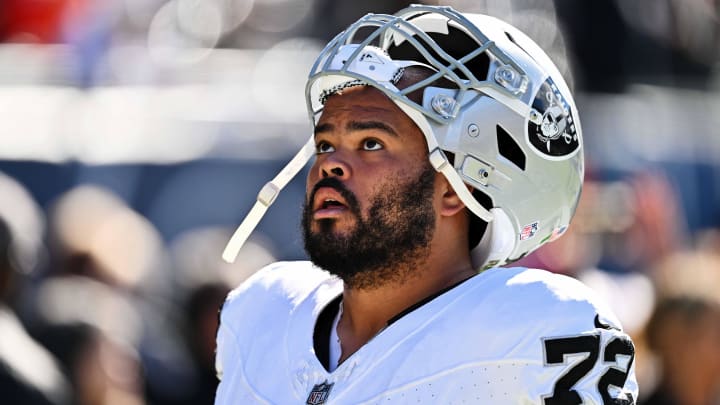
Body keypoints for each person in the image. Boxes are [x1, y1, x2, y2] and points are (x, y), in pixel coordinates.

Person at [215, 5, 639, 404]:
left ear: (458, 189)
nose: (332, 165)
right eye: (326, 144)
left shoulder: (536, 333)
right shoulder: (262, 312)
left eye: (371, 143)